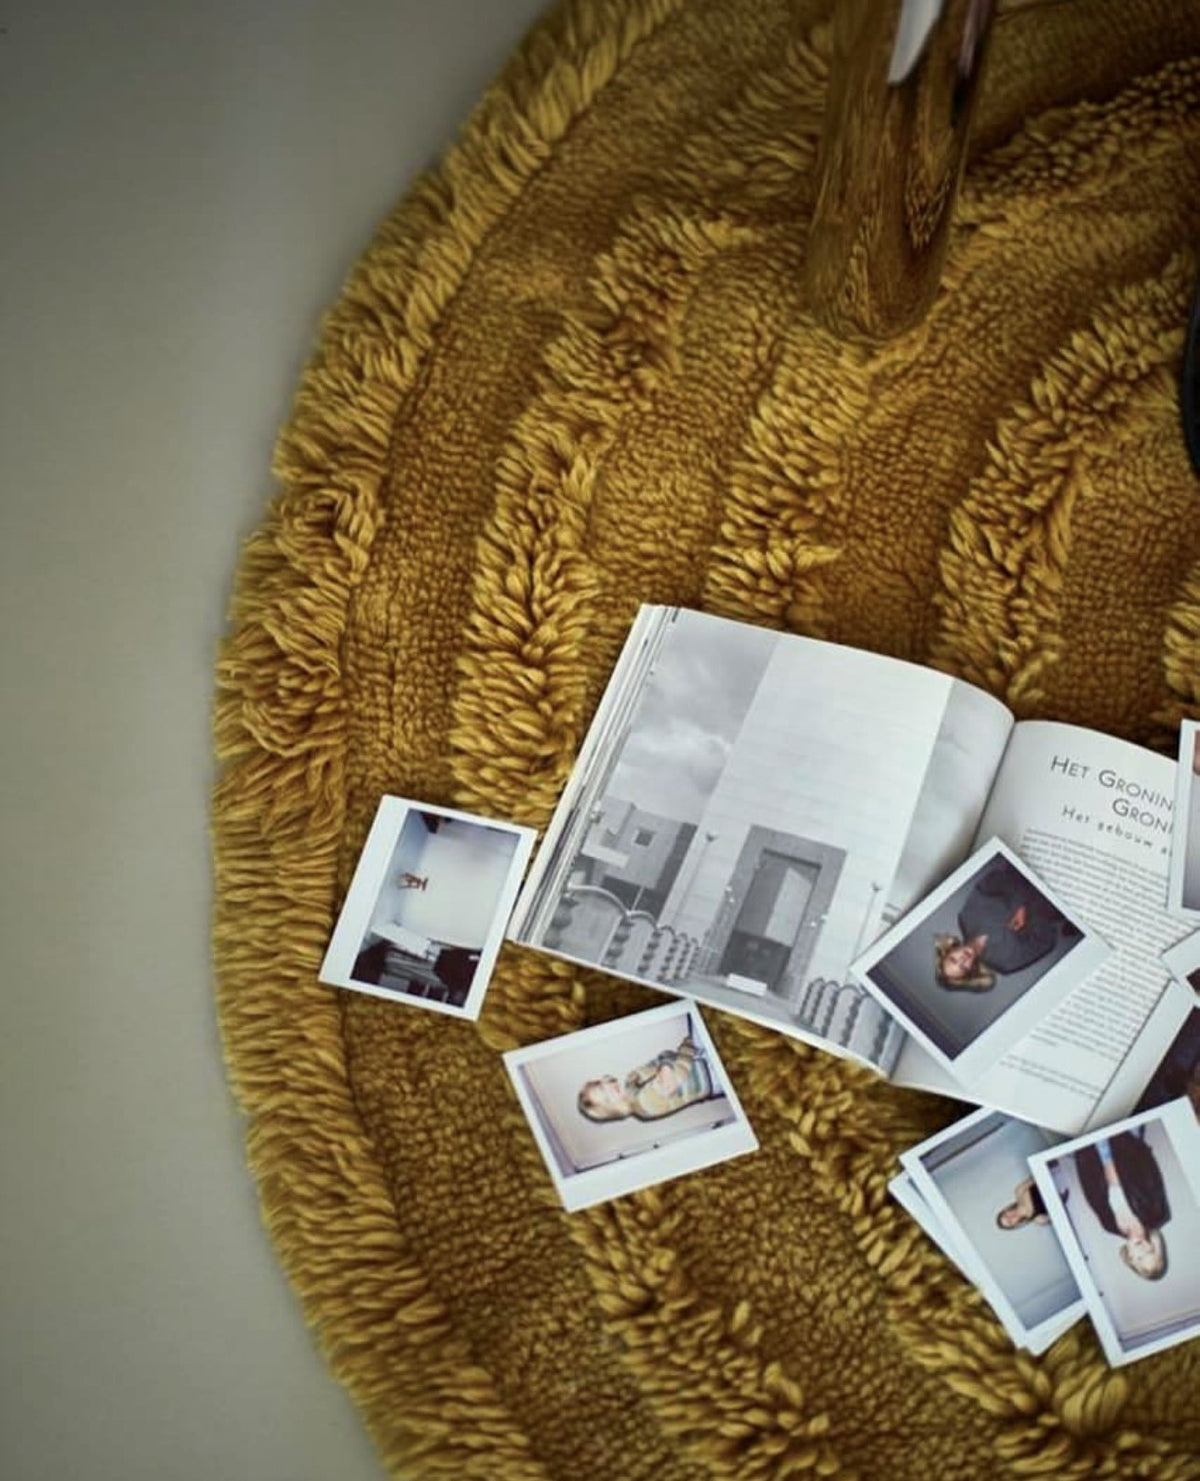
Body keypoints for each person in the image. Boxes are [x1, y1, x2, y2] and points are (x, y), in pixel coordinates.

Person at [933, 856, 1074, 992]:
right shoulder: (1006, 963)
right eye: (963, 967)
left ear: (949, 951)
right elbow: (1047, 940)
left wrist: (1020, 904)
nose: (962, 959)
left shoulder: (967, 916)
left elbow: (995, 879)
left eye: (953, 959)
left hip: (1027, 865)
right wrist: (1031, 918)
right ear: (972, 971)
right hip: (1059, 897)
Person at [1074, 1131, 1170, 1281]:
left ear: (1130, 1258)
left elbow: (1090, 1189)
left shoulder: (1109, 1226)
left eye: (1139, 1258)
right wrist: (1130, 1139)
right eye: (1149, 1252)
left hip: (1090, 1153)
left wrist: (1079, 1156)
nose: (1142, 1250)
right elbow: (1151, 1173)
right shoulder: (1157, 1214)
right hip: (1122, 1142)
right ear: (1155, 1248)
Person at [578, 1035, 716, 1122]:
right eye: (607, 1099)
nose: (610, 1090)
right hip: (712, 1075)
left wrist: (665, 1064)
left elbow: (664, 1056)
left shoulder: (631, 1080)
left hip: (700, 1059)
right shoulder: (645, 1103)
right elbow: (679, 1072)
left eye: (602, 1087)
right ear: (614, 1109)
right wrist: (688, 1045)